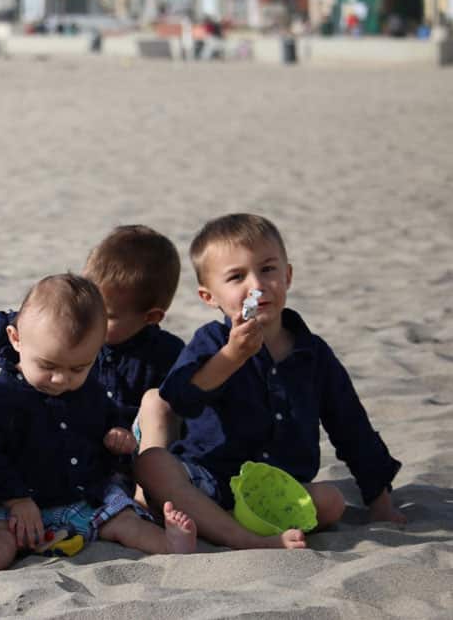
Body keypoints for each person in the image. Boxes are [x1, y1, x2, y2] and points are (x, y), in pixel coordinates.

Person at [135, 213, 405, 551]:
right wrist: (231, 358)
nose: (257, 286)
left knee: (331, 501)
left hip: (279, 491)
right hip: (212, 480)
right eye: (236, 277)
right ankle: (241, 536)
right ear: (209, 297)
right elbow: (180, 398)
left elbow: (351, 426)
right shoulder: (213, 341)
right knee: (153, 464)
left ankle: (222, 527)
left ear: (288, 275)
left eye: (268, 270)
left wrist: (380, 502)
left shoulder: (313, 354)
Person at [0, 274, 196, 571]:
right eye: (47, 365)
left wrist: (116, 435)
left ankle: (169, 544)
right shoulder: (3, 399)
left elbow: (108, 416)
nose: (62, 379)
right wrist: (16, 499)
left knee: (126, 522)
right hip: (23, 510)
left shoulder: (87, 389)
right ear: (15, 338)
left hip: (84, 500)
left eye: (79, 367)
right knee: (3, 533)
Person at [0, 225, 186, 459]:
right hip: (62, 448)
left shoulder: (168, 354)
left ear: (150, 317)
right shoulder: (69, 322)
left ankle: (146, 501)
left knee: (158, 404)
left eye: (106, 315)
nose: (90, 319)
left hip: (129, 452)